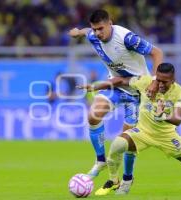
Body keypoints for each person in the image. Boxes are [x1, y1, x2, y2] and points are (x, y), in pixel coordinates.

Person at [78, 63, 181, 195]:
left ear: (173, 80)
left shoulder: (179, 92)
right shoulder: (146, 82)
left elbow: (178, 119)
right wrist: (96, 86)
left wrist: (162, 116)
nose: (160, 84)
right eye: (158, 80)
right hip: (142, 132)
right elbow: (121, 81)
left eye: (164, 82)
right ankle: (113, 181)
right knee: (118, 144)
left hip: (166, 136)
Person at [68, 9, 163, 180]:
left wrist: (155, 81)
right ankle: (100, 160)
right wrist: (77, 32)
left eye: (101, 29)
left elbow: (157, 53)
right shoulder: (93, 35)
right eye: (95, 29)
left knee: (125, 142)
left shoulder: (127, 38)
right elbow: (86, 31)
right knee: (93, 115)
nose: (97, 33)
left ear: (110, 23)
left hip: (137, 91)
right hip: (116, 85)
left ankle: (127, 177)